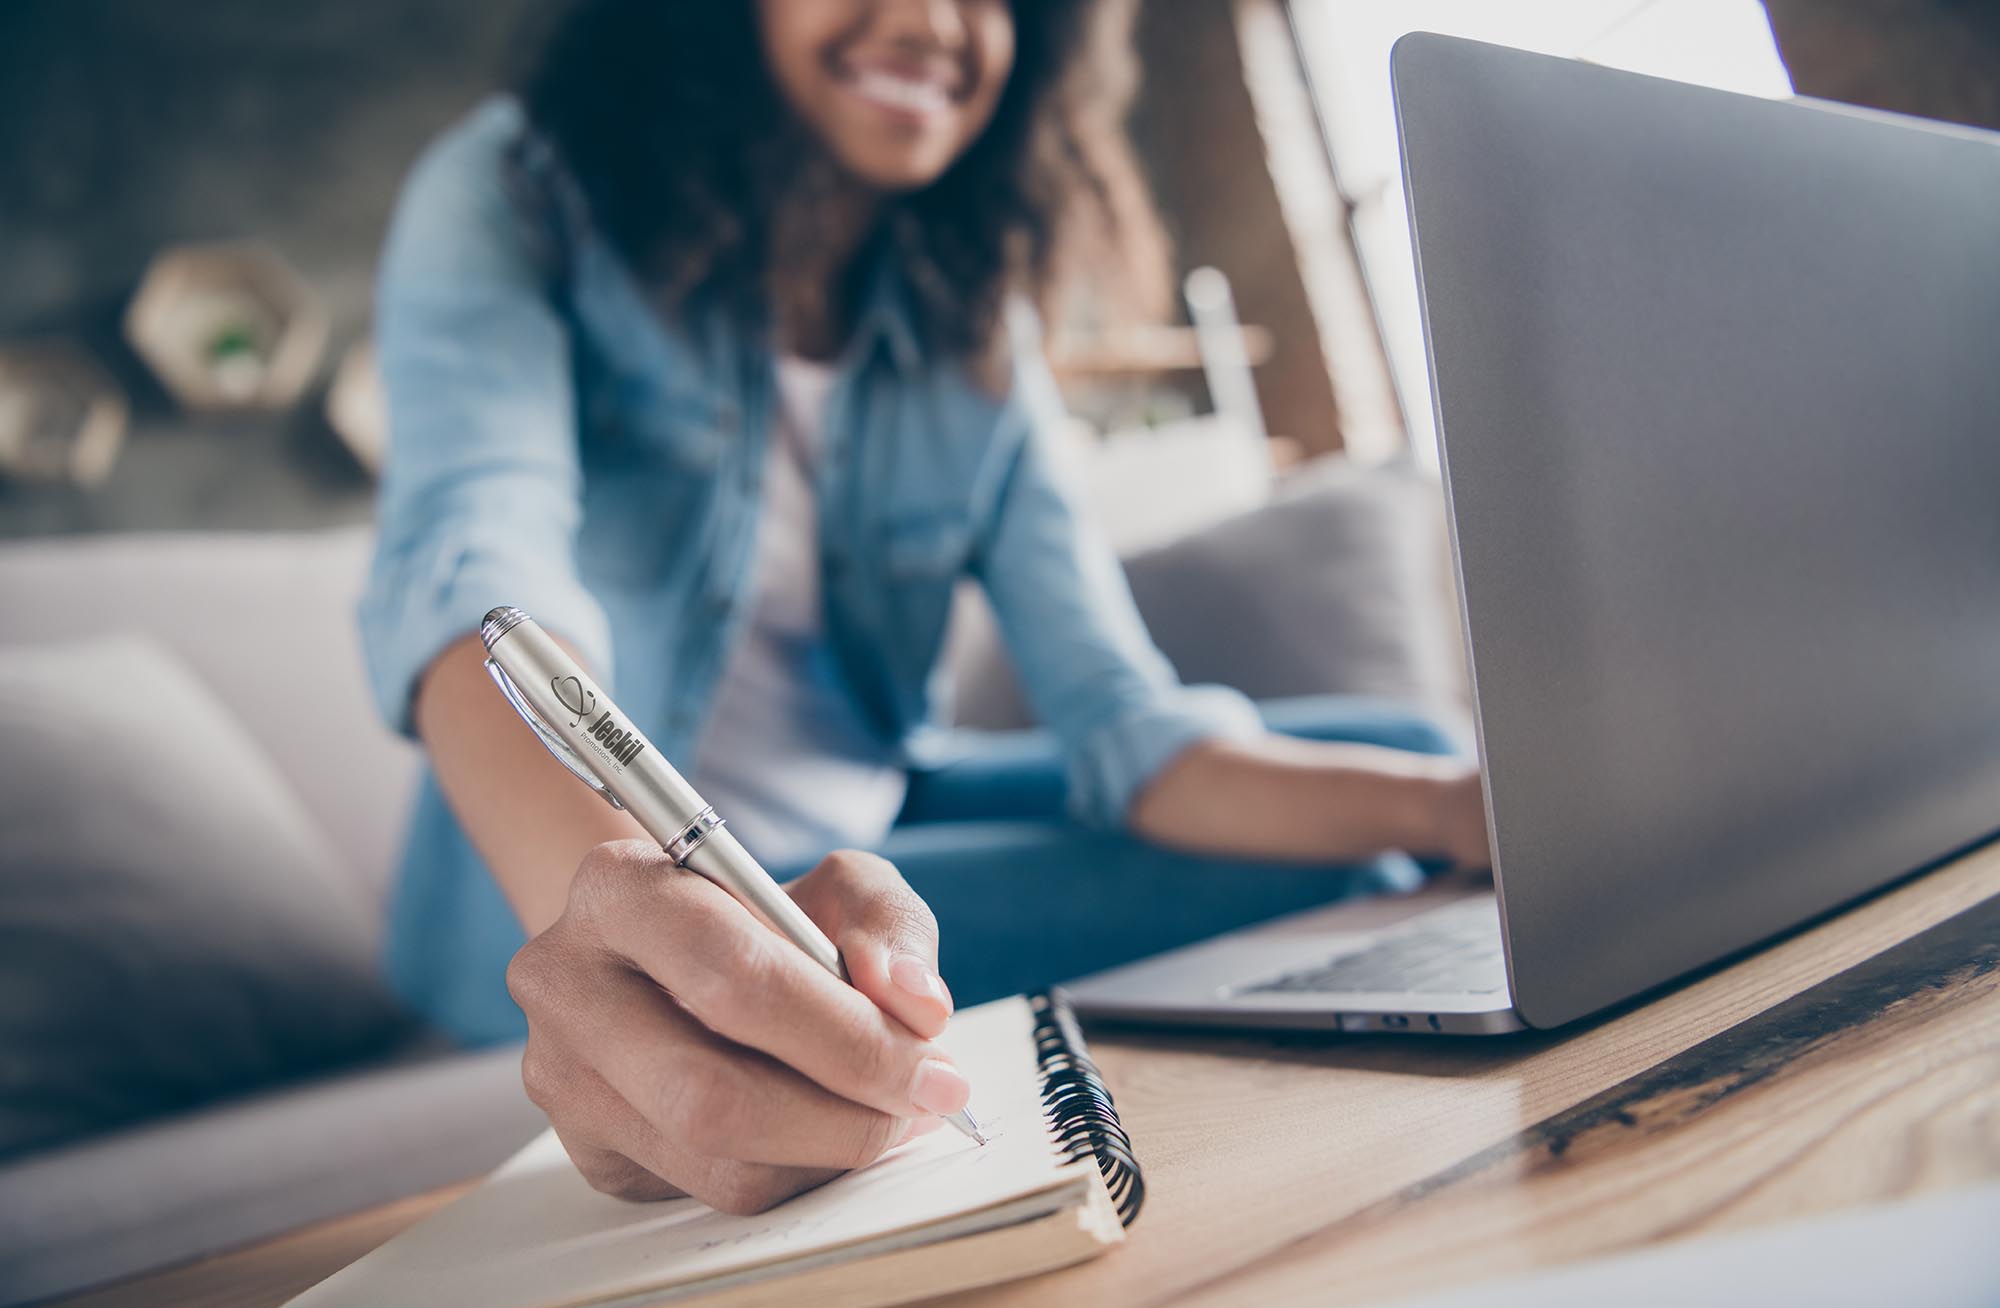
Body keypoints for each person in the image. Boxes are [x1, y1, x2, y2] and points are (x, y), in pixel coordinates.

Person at [361, 0, 1489, 1215]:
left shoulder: (970, 322)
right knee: (1335, 861)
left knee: (1415, 761)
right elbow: (477, 553)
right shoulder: (518, 187)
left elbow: (1124, 718)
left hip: (882, 810)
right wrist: (619, 924)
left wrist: (1458, 806)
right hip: (569, 885)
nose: (928, 19)